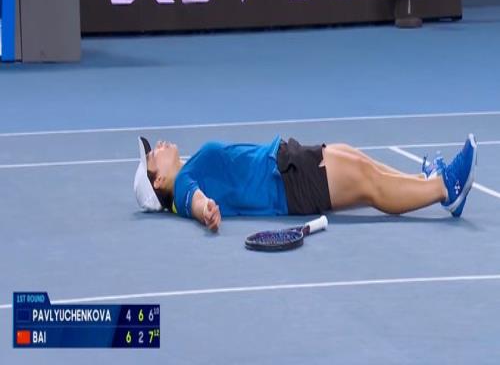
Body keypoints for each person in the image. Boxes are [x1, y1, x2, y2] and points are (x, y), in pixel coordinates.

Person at [134, 134, 477, 232]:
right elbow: (196, 201)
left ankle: (425, 180)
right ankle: (444, 190)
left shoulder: (189, 168)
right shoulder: (183, 185)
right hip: (288, 183)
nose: (158, 146)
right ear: (159, 180)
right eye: (153, 155)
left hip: (286, 161)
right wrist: (206, 210)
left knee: (360, 161)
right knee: (369, 183)